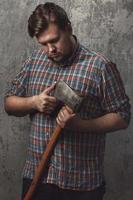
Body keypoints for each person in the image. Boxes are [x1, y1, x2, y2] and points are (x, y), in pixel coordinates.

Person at [4, 2, 131, 200]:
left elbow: (122, 117)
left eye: (54, 40)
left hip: (81, 184)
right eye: (43, 44)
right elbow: (9, 104)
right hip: (37, 177)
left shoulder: (99, 66)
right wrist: (34, 102)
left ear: (68, 28)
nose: (50, 49)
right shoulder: (34, 61)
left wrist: (79, 125)